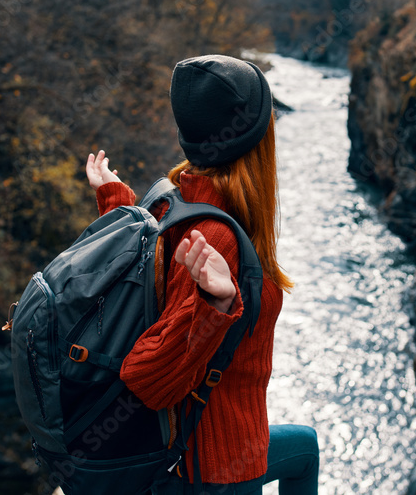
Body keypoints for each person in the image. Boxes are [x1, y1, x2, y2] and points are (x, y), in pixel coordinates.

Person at [84, 55, 319, 494]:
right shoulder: (216, 237)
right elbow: (147, 379)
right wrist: (214, 306)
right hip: (218, 471)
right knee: (305, 451)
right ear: (256, 139)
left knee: (305, 447)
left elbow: (147, 285)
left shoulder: (170, 201)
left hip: (218, 454)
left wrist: (117, 204)